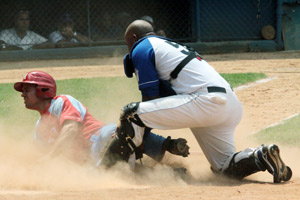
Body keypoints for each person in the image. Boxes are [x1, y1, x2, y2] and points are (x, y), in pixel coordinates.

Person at [101, 20, 293, 183]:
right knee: (224, 168)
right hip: (228, 104)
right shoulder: (167, 45)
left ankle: (113, 172)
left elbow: (150, 99)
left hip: (205, 102)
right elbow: (160, 101)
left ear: (133, 38)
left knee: (131, 114)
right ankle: (261, 156)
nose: (129, 49)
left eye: (128, 44)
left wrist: (139, 138)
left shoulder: (142, 47)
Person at [14, 70, 190, 168]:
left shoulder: (61, 102)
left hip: (102, 138)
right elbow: (40, 155)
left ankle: (166, 145)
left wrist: (49, 158)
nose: (23, 95)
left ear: (43, 90)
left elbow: (70, 130)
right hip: (92, 160)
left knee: (119, 133)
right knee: (118, 174)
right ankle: (172, 172)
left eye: (26, 90)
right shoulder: (40, 127)